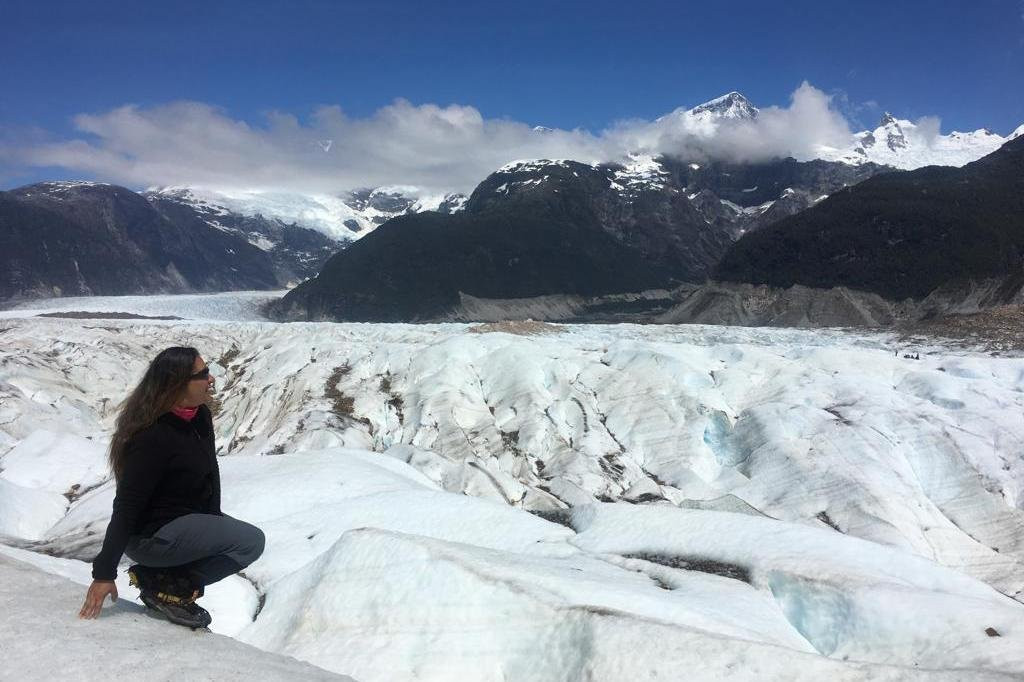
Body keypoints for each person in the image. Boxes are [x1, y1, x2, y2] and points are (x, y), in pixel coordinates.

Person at [78, 346, 265, 629]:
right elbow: (127, 506)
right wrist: (104, 573)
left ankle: (166, 581)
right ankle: (167, 588)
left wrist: (211, 520)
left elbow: (208, 472)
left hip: (181, 524)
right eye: (202, 374)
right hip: (151, 536)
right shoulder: (152, 436)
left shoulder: (199, 416)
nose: (210, 379)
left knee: (246, 542)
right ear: (177, 384)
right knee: (249, 541)